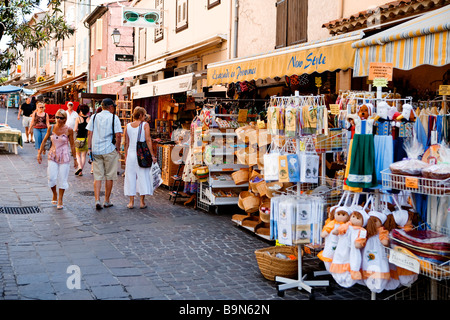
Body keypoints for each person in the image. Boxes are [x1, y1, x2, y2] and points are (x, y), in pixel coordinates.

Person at [36, 109, 77, 210]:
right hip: (52, 155)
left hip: (64, 156)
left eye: (61, 118)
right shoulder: (51, 128)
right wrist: (39, 153)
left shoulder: (69, 130)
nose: (58, 119)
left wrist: (75, 159)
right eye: (57, 117)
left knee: (62, 178)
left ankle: (60, 199)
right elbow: (44, 140)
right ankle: (54, 194)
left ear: (65, 119)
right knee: (52, 177)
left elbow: (72, 145)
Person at [86, 98, 122, 210]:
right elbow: (118, 135)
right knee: (109, 176)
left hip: (96, 150)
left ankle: (97, 200)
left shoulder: (94, 116)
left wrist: (90, 148)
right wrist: (117, 148)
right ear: (110, 107)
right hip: (109, 149)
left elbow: (90, 133)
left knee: (97, 176)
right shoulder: (114, 117)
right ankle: (106, 201)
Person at [123, 107, 157, 209]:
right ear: (141, 115)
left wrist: (125, 155)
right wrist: (152, 155)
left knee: (130, 177)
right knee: (143, 176)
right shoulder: (145, 125)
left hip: (131, 154)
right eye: (144, 115)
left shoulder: (128, 126)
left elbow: (126, 142)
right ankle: (142, 202)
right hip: (142, 154)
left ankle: (131, 202)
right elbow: (148, 140)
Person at [73, 104, 90, 176]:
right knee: (83, 155)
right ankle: (80, 171)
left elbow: (75, 129)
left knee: (78, 154)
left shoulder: (78, 118)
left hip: (79, 138)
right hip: (86, 138)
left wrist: (77, 131)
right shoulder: (89, 119)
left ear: (80, 111)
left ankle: (79, 167)